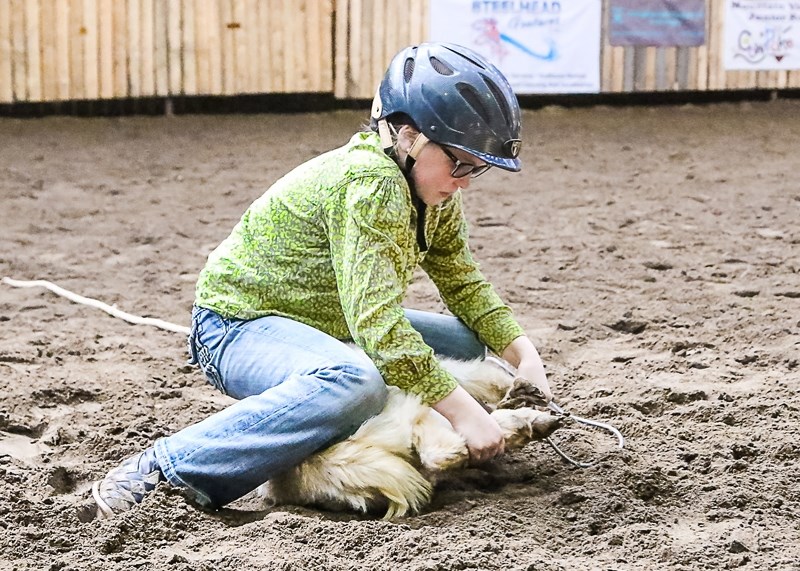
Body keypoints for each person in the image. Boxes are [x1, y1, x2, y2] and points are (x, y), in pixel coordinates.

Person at [91, 42, 554, 519]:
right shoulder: (371, 185)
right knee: (355, 381)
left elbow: (462, 281)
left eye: (477, 168)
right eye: (460, 163)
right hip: (236, 326)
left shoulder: (432, 190)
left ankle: (373, 431)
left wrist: (524, 356)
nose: (467, 181)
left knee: (467, 343)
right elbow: (377, 327)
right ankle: (163, 470)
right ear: (410, 137)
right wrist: (463, 412)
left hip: (324, 321)